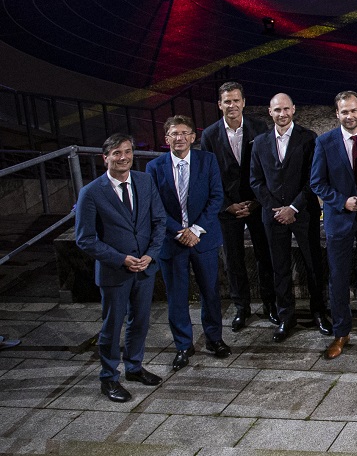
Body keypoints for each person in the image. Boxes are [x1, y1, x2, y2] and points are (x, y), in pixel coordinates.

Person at [75, 133, 165, 402]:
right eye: (117, 153)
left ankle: (134, 368)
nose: (123, 157)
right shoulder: (90, 192)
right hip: (116, 272)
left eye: (127, 152)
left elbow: (159, 221)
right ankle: (109, 379)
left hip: (145, 268)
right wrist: (121, 259)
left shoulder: (145, 181)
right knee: (112, 327)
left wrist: (150, 255)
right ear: (106, 158)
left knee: (140, 322)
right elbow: (85, 239)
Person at [146, 115, 229, 371]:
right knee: (177, 297)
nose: (179, 138)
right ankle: (183, 345)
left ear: (194, 138)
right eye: (174, 134)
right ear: (166, 139)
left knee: (210, 293)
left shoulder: (207, 160)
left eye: (185, 133)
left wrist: (194, 229)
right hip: (172, 242)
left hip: (203, 238)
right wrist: (179, 231)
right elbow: (155, 205)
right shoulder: (154, 167)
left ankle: (215, 339)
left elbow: (217, 197)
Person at [309, 90, 357, 360]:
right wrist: (343, 201)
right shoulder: (324, 142)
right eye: (344, 112)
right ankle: (341, 330)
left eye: (353, 110)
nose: (349, 116)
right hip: (340, 218)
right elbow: (317, 182)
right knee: (339, 275)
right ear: (337, 114)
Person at [249, 92, 331, 342]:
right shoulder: (260, 142)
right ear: (270, 112)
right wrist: (276, 208)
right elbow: (256, 180)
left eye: (286, 109)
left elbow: (313, 179)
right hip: (272, 216)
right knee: (279, 268)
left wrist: (293, 208)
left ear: (294, 109)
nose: (282, 114)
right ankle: (286, 316)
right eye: (277, 110)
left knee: (313, 265)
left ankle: (319, 312)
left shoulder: (309, 138)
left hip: (303, 213)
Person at [198, 81, 276, 331]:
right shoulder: (209, 135)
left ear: (244, 102)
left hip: (256, 203)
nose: (232, 105)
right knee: (233, 260)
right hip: (228, 208)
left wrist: (256, 201)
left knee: (265, 256)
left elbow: (266, 168)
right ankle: (242, 307)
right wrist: (227, 205)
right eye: (227, 101)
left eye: (236, 100)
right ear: (219, 105)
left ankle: (270, 305)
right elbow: (209, 175)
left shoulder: (260, 127)